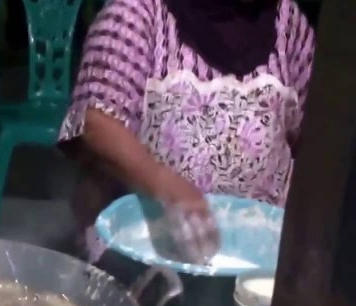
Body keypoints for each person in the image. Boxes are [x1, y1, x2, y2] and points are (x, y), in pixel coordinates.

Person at [58, 0, 315, 263]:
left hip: (259, 259)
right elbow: (98, 124)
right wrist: (163, 184)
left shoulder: (286, 22)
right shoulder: (139, 13)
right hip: (143, 252)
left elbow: (315, 136)